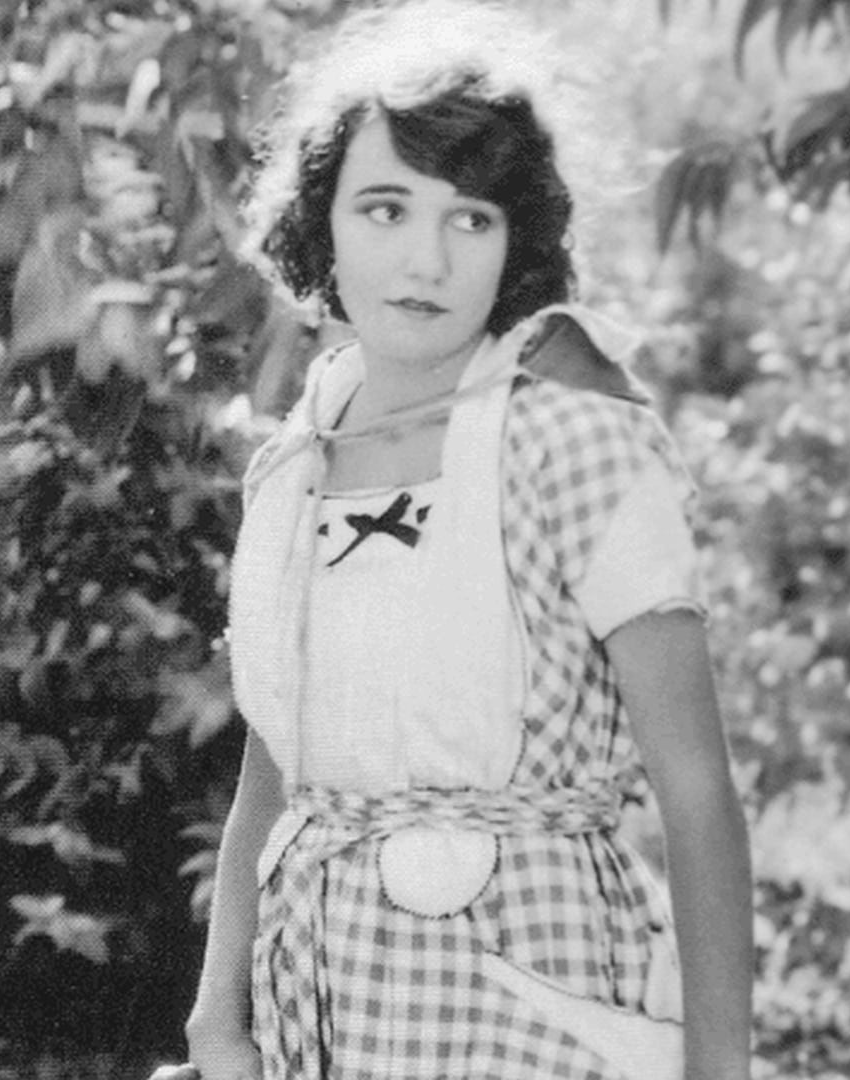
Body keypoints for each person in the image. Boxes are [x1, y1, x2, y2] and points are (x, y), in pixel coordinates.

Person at [180, 3, 753, 1080]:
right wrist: (220, 1015)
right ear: (323, 220)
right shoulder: (293, 464)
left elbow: (696, 789)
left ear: (515, 242)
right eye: (385, 208)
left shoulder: (577, 446)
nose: (426, 260)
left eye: (472, 219)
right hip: (322, 1003)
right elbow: (278, 762)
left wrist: (719, 1074)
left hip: (532, 998)